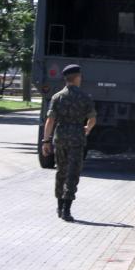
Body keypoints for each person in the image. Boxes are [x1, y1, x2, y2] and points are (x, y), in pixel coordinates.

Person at [42, 64, 97, 222]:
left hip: (60, 139)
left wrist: (46, 141)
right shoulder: (85, 97)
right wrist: (87, 129)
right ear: (77, 78)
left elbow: (50, 121)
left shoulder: (57, 97)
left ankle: (59, 207)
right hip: (77, 139)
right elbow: (92, 119)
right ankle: (67, 210)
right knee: (73, 173)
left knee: (61, 171)